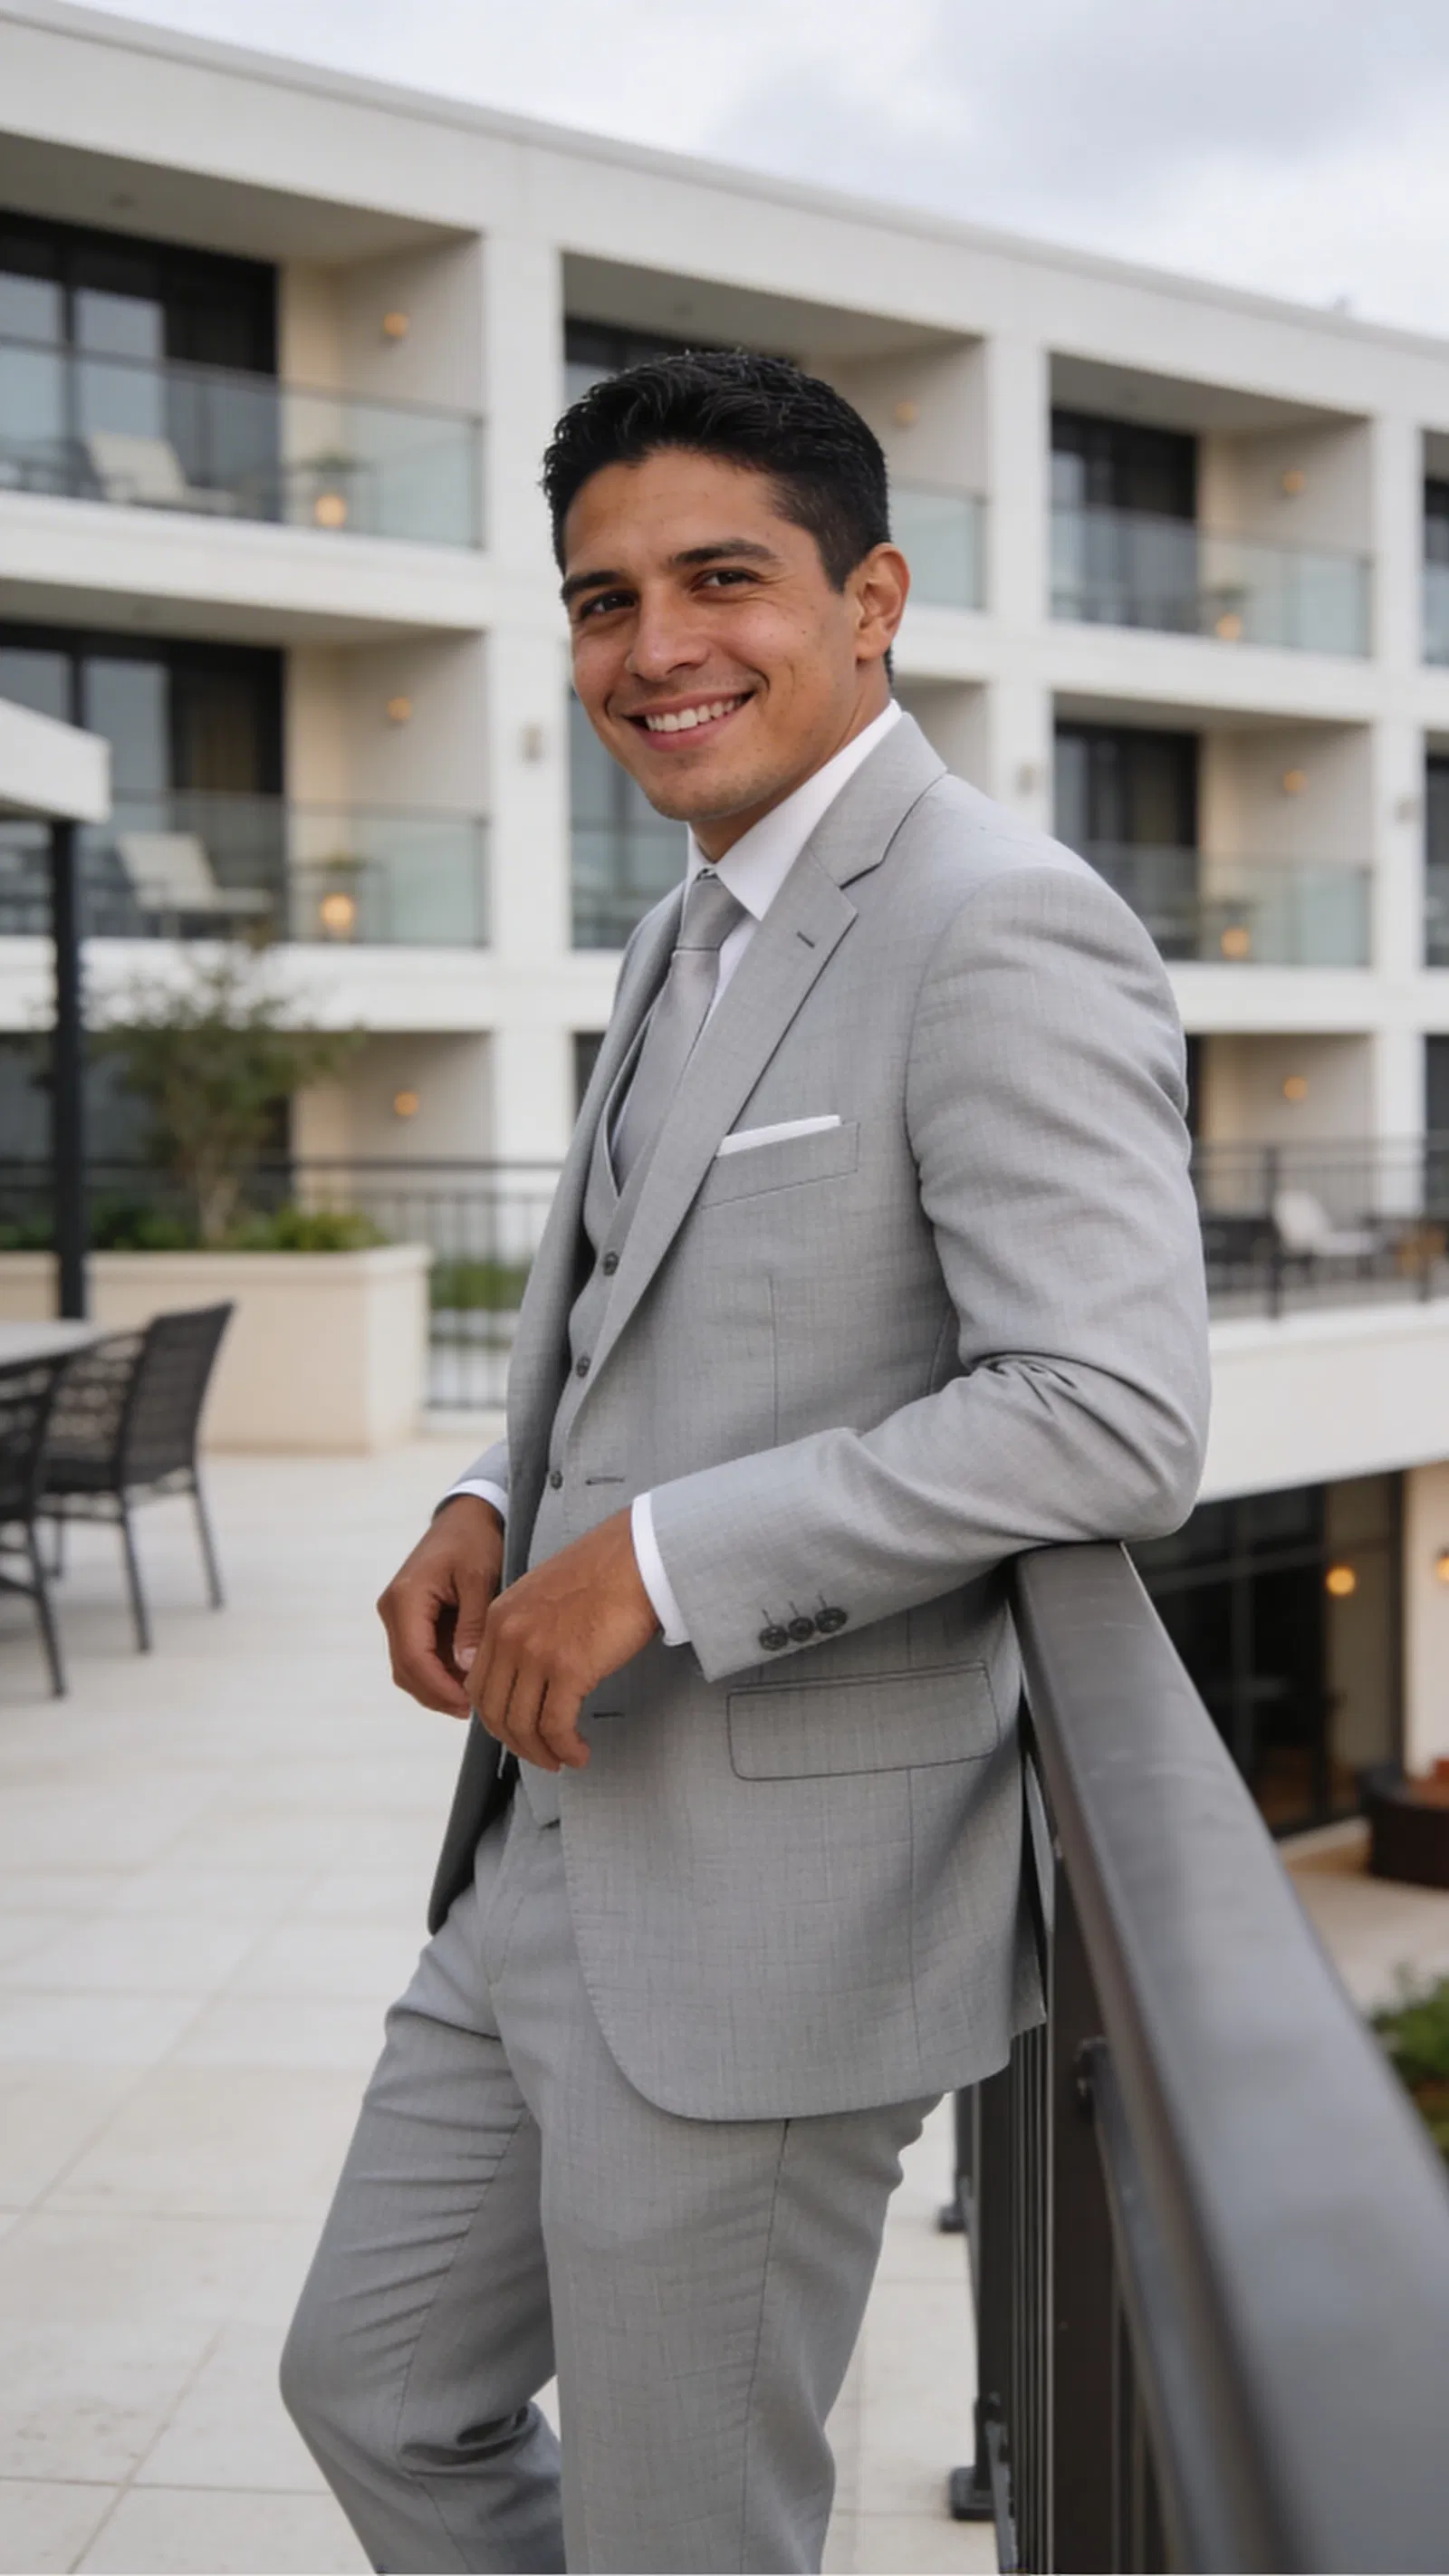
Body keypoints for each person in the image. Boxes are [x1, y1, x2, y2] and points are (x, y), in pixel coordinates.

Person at [281, 350, 1210, 2574]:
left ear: (869, 597)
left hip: (772, 1923)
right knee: (375, 2389)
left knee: (680, 2532)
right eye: (603, 601)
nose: (653, 647)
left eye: (721, 579)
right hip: (540, 1843)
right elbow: (649, 1316)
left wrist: (667, 1561)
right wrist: (501, 1508)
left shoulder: (997, 915)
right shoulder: (677, 923)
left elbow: (1110, 1405)